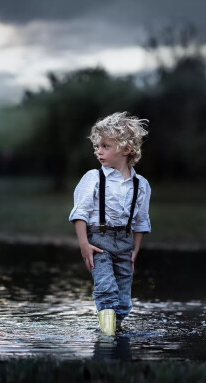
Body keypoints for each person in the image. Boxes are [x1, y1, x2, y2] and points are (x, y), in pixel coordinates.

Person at [69, 112, 151, 335]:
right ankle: (107, 340)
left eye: (105, 146)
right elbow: (80, 214)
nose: (98, 151)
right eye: (97, 146)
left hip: (125, 244)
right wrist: (84, 245)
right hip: (99, 242)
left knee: (123, 299)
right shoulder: (93, 178)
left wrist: (134, 251)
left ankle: (116, 331)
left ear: (126, 149)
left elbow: (141, 222)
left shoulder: (141, 185)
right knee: (106, 290)